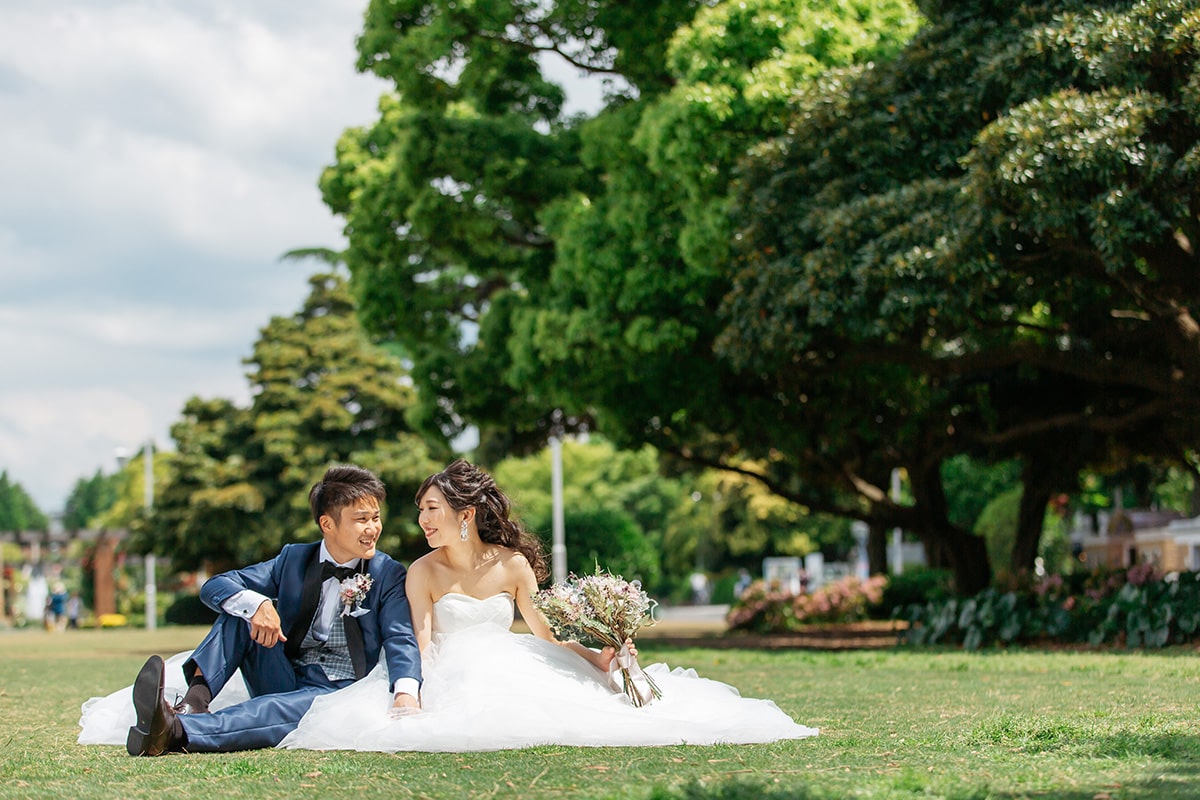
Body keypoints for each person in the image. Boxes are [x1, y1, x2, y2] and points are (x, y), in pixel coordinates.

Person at [278, 459, 818, 751]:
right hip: (448, 669)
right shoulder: (421, 570)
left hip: (514, 660)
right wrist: (410, 691)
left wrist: (600, 655)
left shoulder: (512, 564)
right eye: (421, 510)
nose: (423, 520)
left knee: (585, 708)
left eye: (433, 508)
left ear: (464, 513)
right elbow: (418, 639)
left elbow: (545, 635)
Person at [77, 464, 422, 755]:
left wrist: (406, 692)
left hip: (339, 689)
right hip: (285, 674)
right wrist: (256, 604)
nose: (373, 528)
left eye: (375, 518)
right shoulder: (293, 559)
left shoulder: (387, 572)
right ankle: (194, 703)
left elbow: (399, 636)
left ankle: (175, 730)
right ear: (327, 524)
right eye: (361, 519)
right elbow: (216, 585)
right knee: (239, 613)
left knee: (269, 710)